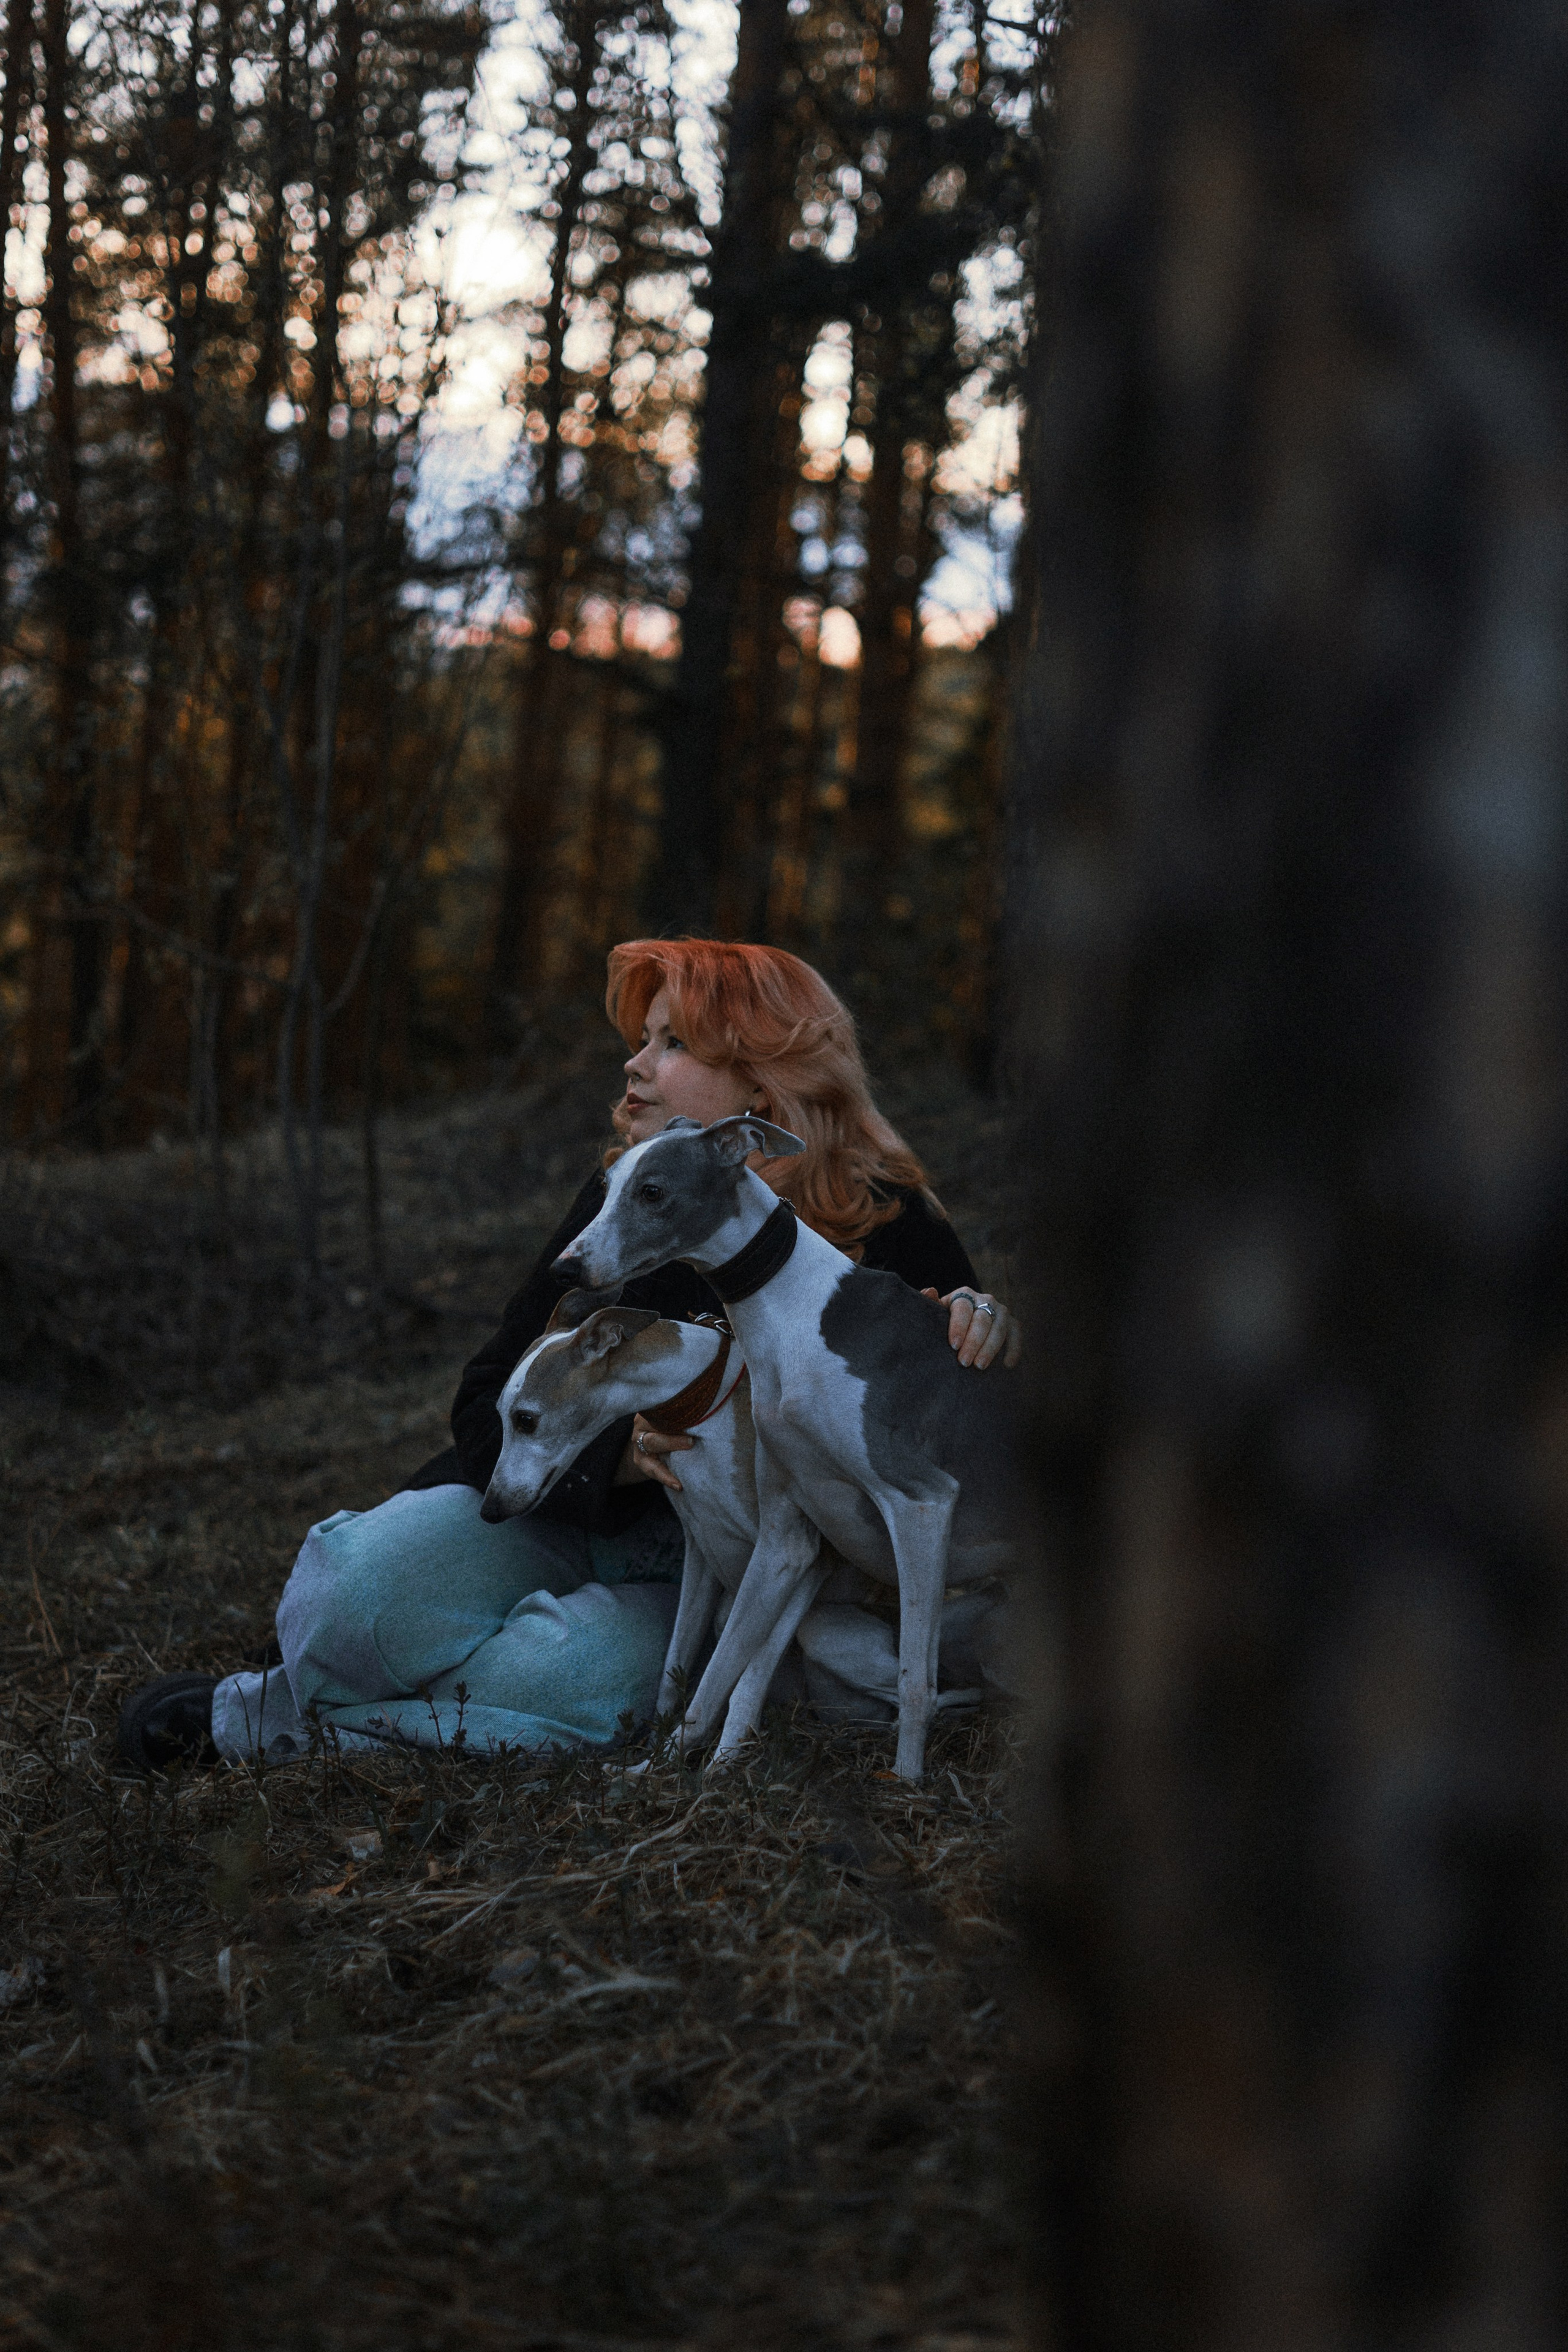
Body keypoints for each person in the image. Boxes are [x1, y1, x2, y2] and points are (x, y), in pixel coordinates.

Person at [116, 940, 1021, 1771]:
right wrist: (615, 1454)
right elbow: (482, 1402)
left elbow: (959, 1412)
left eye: (672, 1044)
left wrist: (983, 1325)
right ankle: (375, 1697)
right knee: (351, 1593)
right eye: (641, 1037)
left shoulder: (888, 1223)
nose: (634, 1063)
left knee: (564, 1682)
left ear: (760, 1088)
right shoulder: (619, 1205)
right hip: (554, 1516)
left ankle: (269, 1725)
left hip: (702, 1584)